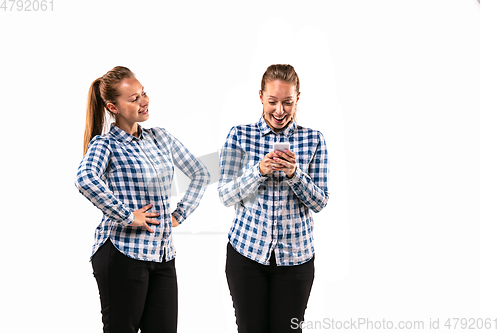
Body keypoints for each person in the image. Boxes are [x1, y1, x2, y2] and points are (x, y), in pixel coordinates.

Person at [75, 66, 210, 333]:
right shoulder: (105, 145)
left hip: (162, 256)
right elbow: (85, 179)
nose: (144, 102)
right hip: (123, 254)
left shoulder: (160, 138)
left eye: (143, 94)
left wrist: (178, 215)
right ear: (113, 107)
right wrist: (128, 216)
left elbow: (201, 173)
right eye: (133, 98)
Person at [218, 64, 330, 333]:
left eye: (287, 102)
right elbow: (225, 195)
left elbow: (320, 202)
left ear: (297, 99)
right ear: (260, 97)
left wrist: (295, 174)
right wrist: (258, 171)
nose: (279, 110)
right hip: (246, 255)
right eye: (272, 102)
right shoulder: (239, 135)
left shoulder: (314, 140)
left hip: (296, 260)